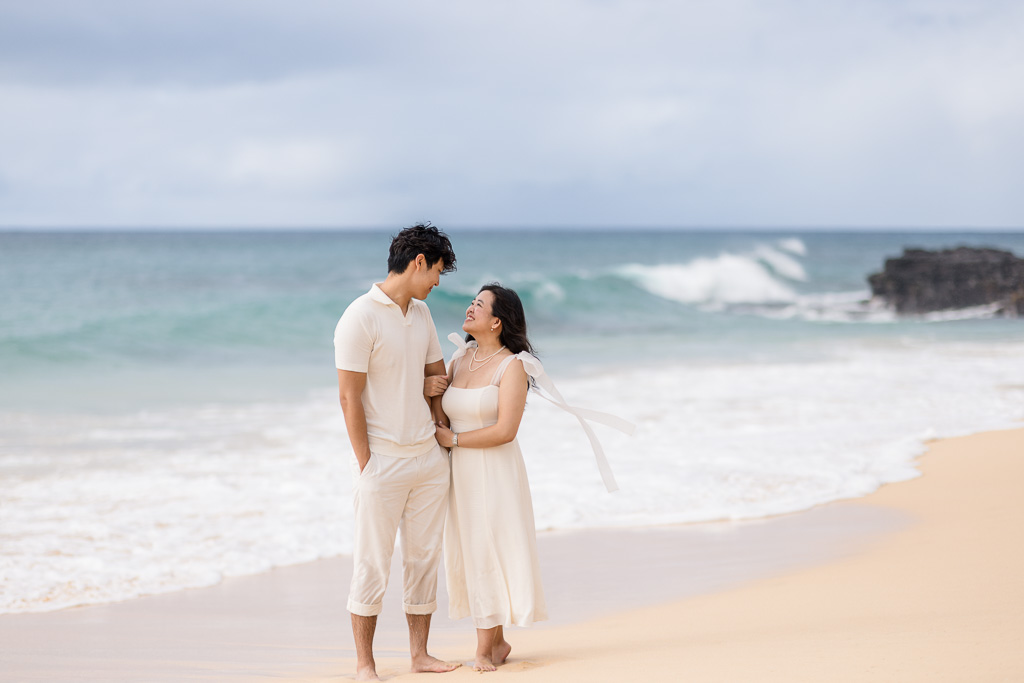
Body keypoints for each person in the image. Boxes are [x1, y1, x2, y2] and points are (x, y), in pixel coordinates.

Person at [334, 223, 460, 681]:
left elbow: (436, 378)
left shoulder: (422, 316)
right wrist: (367, 462)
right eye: (437, 272)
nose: (437, 284)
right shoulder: (359, 316)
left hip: (426, 457)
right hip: (382, 461)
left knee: (424, 559)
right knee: (372, 562)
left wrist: (440, 435)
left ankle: (419, 655)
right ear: (418, 262)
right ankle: (365, 664)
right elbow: (349, 397)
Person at [432, 283, 541, 672]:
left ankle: (483, 649)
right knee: (469, 549)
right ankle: (496, 643)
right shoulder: (460, 358)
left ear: (497, 321)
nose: (470, 307)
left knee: (488, 547)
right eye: (471, 302)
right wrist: (432, 395)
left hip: (494, 470)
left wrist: (454, 439)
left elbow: (506, 430)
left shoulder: (513, 366)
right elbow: (440, 411)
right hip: (459, 472)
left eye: (479, 304)